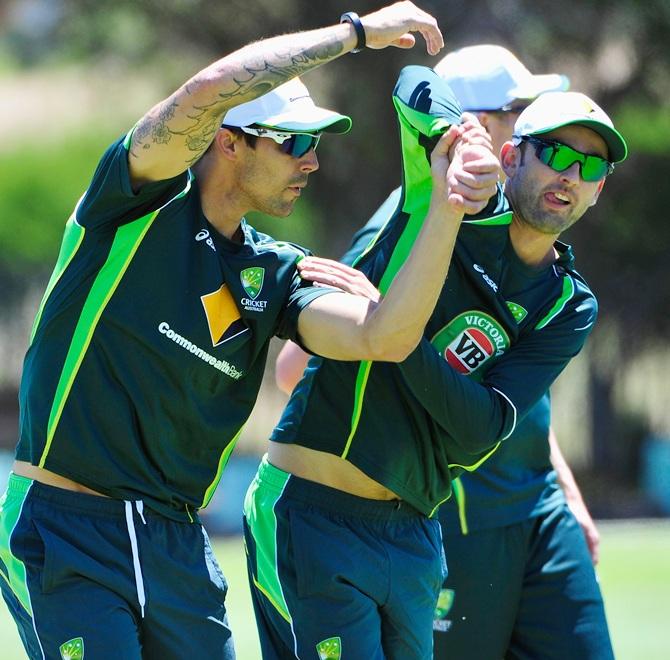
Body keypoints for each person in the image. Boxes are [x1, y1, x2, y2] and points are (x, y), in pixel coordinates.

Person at [0, 5, 505, 658]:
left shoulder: (272, 272)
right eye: (293, 142)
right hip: (69, 527)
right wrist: (354, 35)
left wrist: (446, 204)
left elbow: (386, 337)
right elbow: (206, 93)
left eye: (314, 143)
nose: (312, 161)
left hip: (178, 543)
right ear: (229, 140)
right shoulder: (135, 205)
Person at [244, 62, 627, 659]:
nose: (571, 176)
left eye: (592, 167)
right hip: (323, 509)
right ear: (511, 155)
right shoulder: (437, 200)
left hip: (421, 526)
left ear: (600, 188)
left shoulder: (568, 302)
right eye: (555, 153)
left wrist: (393, 333)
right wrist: (456, 142)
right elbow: (413, 80)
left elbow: (482, 430)